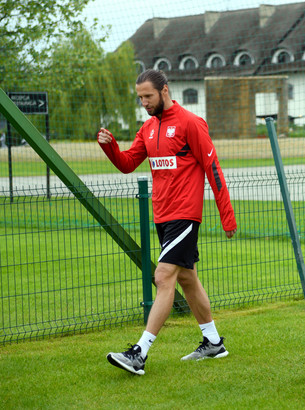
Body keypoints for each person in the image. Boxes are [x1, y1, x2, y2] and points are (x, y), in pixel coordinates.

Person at [98, 69, 237, 375]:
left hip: (185, 215)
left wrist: (227, 215)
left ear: (164, 90)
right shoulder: (147, 128)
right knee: (187, 277)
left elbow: (213, 169)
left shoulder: (191, 123)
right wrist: (109, 146)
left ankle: (139, 353)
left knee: (163, 277)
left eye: (148, 96)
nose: (144, 102)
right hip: (162, 215)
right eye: (140, 98)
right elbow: (126, 164)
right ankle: (213, 342)